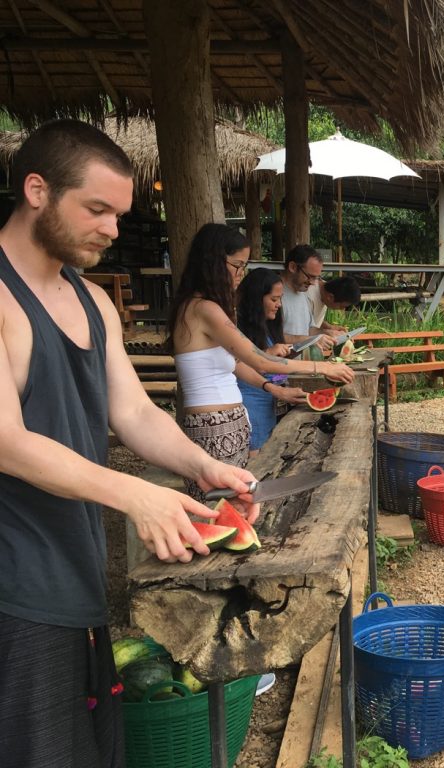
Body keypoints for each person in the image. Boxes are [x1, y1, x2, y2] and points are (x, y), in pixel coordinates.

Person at [0, 120, 259, 768]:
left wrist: (205, 466)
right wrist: (135, 496)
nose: (113, 230)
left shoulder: (94, 304)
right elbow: (5, 440)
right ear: (37, 190)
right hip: (15, 592)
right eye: (97, 209)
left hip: (78, 578)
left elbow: (136, 412)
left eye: (118, 214)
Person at [168, 224, 354, 499]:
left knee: (233, 505)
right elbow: (261, 360)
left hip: (226, 421)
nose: (240, 274)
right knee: (219, 508)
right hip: (214, 425)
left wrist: (274, 389)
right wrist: (322, 367)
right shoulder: (204, 309)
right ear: (213, 261)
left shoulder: (200, 307)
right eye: (237, 265)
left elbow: (237, 364)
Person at [235, 268, 307, 455]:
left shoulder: (266, 326)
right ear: (255, 299)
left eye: (280, 299)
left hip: (271, 402)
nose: (279, 305)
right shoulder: (236, 328)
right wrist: (267, 353)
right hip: (251, 404)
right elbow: (237, 364)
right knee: (255, 461)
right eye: (274, 300)